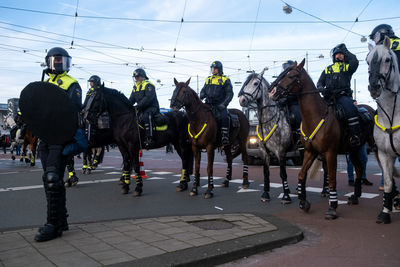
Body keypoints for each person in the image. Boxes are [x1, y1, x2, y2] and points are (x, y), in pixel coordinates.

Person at [34, 47, 82, 242]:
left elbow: (73, 110)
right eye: (56, 60)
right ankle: (61, 220)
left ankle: (53, 224)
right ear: (49, 62)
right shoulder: (45, 83)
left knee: (53, 177)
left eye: (62, 60)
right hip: (45, 137)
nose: (59, 63)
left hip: (60, 137)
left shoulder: (72, 83)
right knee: (49, 179)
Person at [317, 43, 361, 147]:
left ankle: (355, 135)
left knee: (351, 109)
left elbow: (355, 62)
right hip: (328, 97)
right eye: (337, 54)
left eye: (341, 54)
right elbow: (319, 83)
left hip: (343, 96)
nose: (339, 56)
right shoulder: (327, 69)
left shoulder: (347, 67)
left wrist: (347, 52)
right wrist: (322, 89)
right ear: (333, 57)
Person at [200, 61, 233, 146]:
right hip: (208, 104)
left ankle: (225, 137)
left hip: (219, 105)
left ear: (219, 69)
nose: (213, 70)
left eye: (215, 69)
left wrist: (224, 104)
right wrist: (202, 95)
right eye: (212, 68)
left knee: (225, 117)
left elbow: (230, 94)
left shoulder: (225, 79)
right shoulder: (208, 79)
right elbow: (203, 90)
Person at [129, 68, 160, 148]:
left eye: (138, 77)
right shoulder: (135, 87)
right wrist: (127, 106)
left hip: (152, 107)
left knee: (146, 116)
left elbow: (148, 99)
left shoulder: (149, 85)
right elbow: (131, 100)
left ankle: (149, 138)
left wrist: (137, 106)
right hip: (141, 108)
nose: (136, 79)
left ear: (143, 76)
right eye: (135, 77)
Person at [346, 100, 373, 186]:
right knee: (351, 160)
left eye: (356, 104)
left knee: (364, 158)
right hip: (353, 141)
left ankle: (363, 177)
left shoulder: (361, 114)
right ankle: (351, 179)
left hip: (361, 140)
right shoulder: (349, 116)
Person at [278, 60, 302, 129]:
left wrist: (287, 98)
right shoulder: (281, 79)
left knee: (296, 115)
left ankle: (298, 130)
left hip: (293, 102)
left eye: (287, 67)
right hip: (281, 103)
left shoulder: (294, 77)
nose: (286, 69)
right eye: (284, 67)